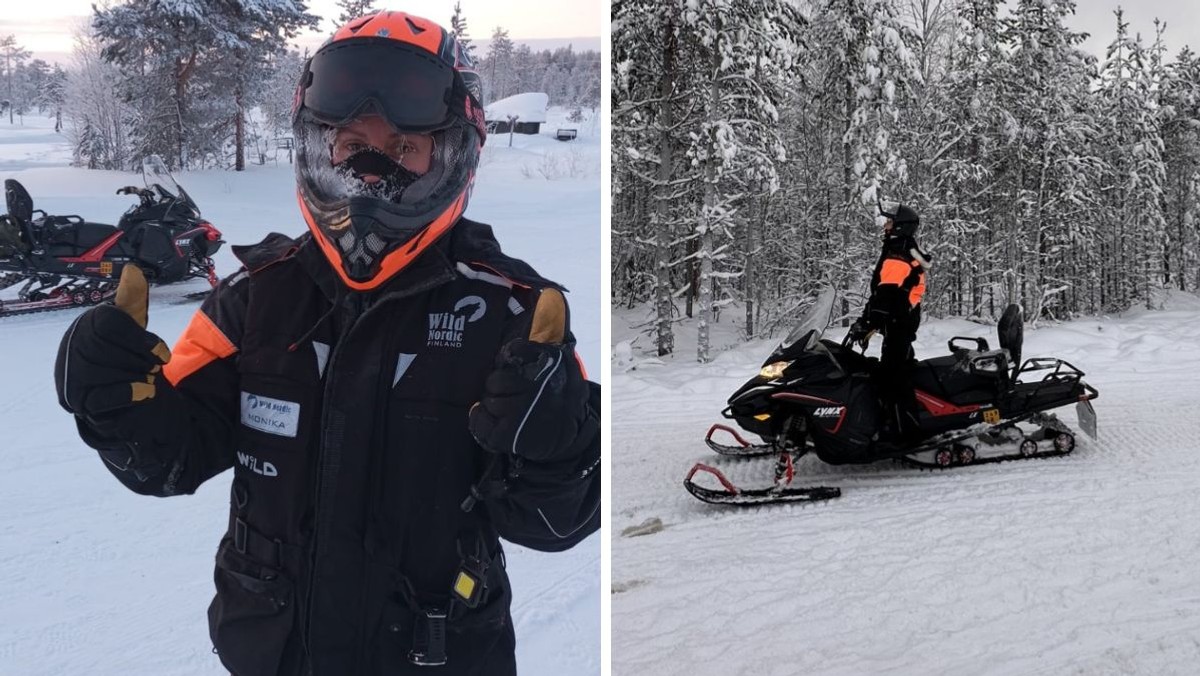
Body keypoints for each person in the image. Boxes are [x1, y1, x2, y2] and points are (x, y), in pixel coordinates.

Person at [53, 11, 599, 676]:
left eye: (402, 150)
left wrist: (557, 451)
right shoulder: (257, 298)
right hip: (274, 653)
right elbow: (168, 460)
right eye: (352, 146)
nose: (371, 172)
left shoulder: (514, 311)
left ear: (451, 154)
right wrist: (112, 402)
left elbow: (555, 524)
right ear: (320, 149)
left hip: (436, 653)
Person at [848, 202, 930, 443]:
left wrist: (866, 322)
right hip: (900, 321)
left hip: (898, 322)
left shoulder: (898, 254)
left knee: (893, 378)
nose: (885, 226)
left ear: (900, 227)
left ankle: (905, 433)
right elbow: (883, 297)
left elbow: (886, 296)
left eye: (890, 222)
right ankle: (895, 422)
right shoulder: (902, 249)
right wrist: (868, 321)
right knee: (896, 370)